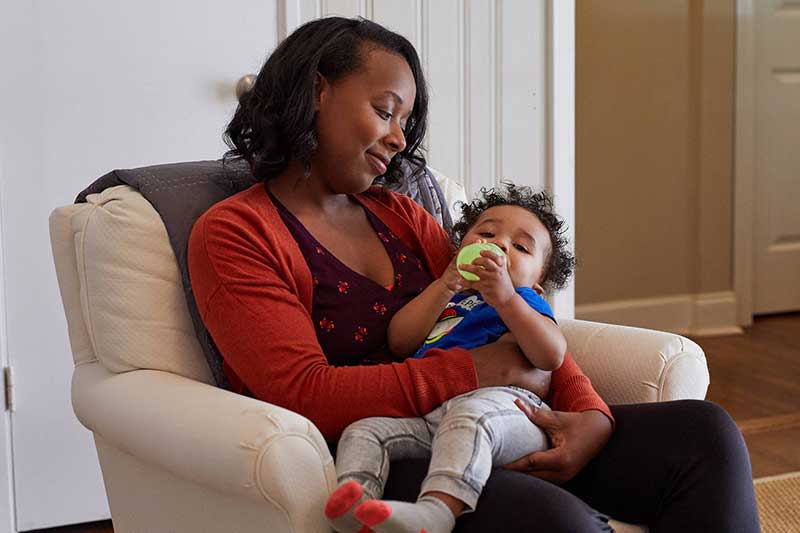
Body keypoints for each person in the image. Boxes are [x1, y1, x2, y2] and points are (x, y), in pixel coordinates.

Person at [187, 16, 760, 532]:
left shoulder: (402, 216)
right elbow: (301, 393)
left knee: (705, 436)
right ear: (316, 91)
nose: (399, 138)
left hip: (496, 420)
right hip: (385, 452)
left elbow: (508, 309)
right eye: (385, 111)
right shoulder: (238, 232)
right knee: (558, 523)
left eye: (405, 121)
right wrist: (474, 370)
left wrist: (589, 416)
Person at [325, 184, 575, 533]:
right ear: (460, 250)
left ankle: (437, 513)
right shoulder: (449, 297)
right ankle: (356, 506)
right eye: (486, 233)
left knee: (469, 417)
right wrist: (445, 284)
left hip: (507, 414)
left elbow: (551, 355)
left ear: (537, 284)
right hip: (434, 416)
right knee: (365, 430)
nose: (499, 244)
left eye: (520, 247)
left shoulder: (525, 301)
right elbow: (400, 341)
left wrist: (506, 300)